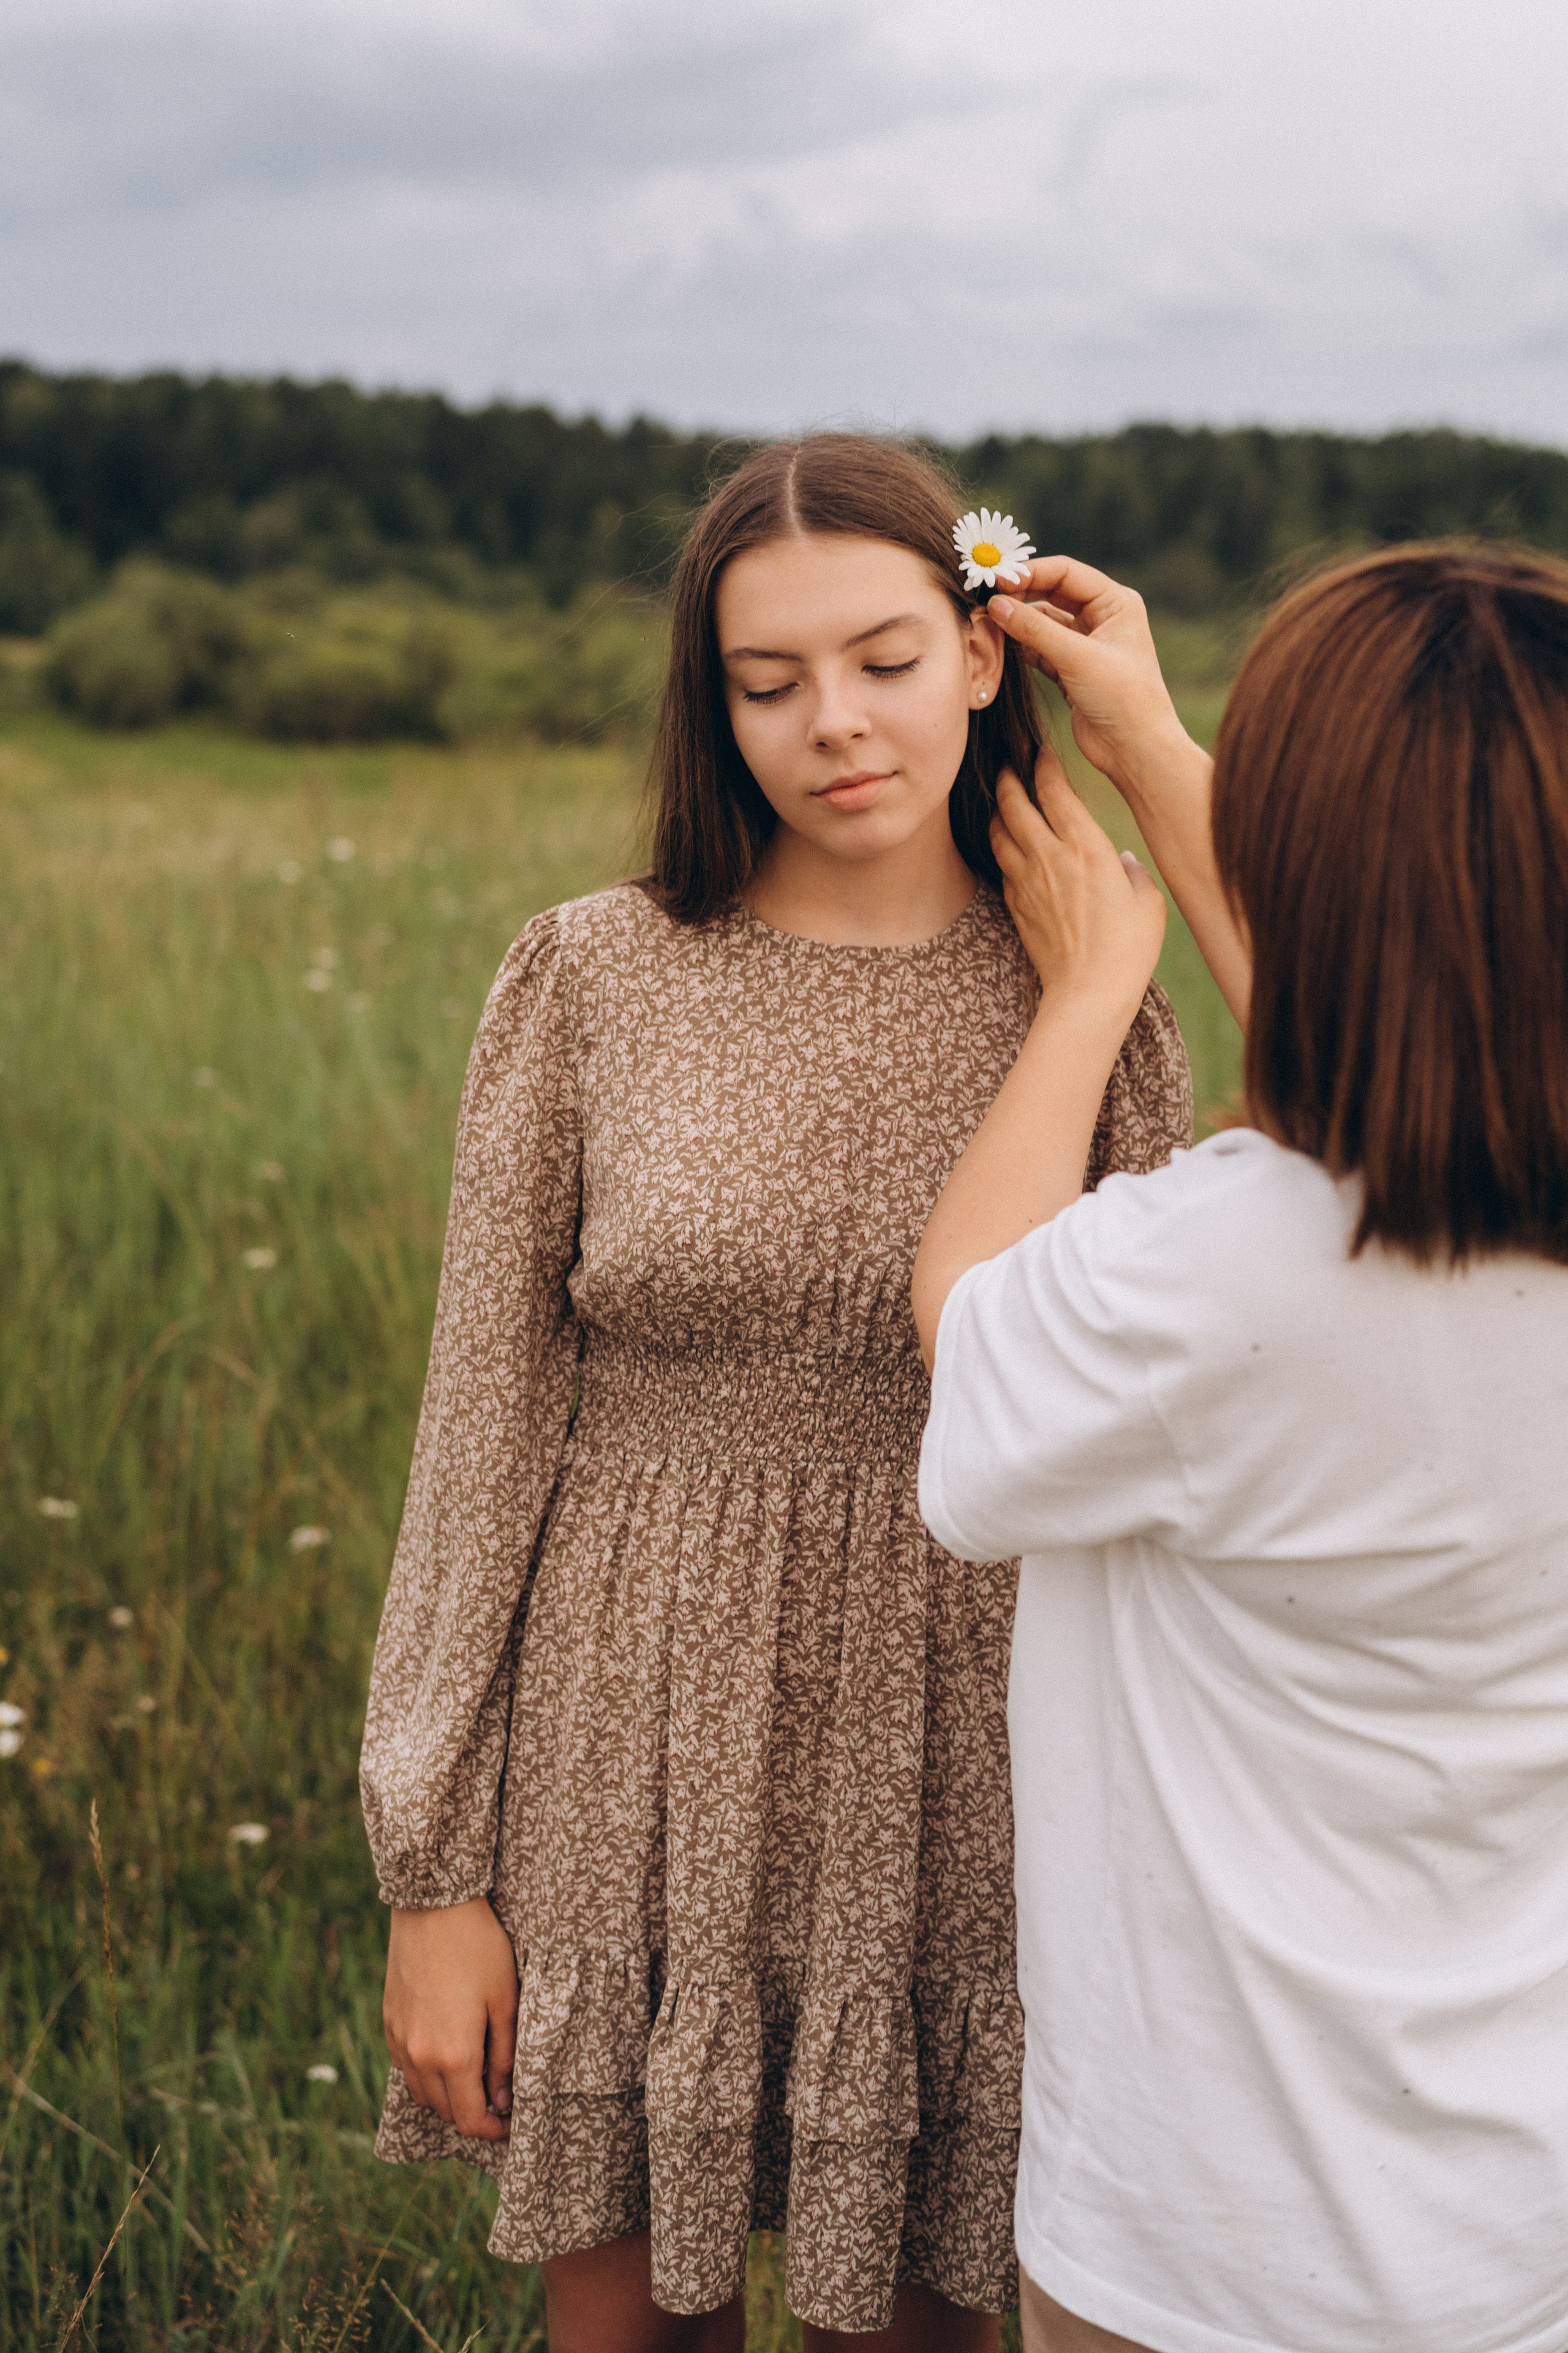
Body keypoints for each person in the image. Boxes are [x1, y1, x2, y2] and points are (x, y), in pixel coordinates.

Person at [358, 436, 1193, 2353]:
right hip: (619, 1749)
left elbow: (1144, 1429)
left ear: (986, 658)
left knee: (911, 2324)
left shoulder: (1088, 988)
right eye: (769, 681)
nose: (835, 723)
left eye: (889, 659)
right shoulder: (591, 976)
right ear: (710, 701)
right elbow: (479, 1432)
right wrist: (430, 1866)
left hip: (962, 1753)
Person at [913, 543, 1568, 2353]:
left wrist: (1083, 997)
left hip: (1209, 2246)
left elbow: (969, 1326)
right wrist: (1144, 737)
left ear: (1309, 872)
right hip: (1514, 2218)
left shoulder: (1227, 1272)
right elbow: (1433, 1019)